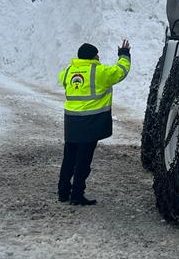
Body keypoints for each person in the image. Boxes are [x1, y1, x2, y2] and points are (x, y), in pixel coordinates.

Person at [56, 40, 131, 205]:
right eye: (97, 54)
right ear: (93, 56)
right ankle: (77, 195)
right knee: (83, 161)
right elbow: (120, 71)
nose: (98, 57)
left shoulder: (68, 71)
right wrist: (124, 54)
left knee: (68, 158)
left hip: (71, 121)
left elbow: (61, 79)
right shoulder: (98, 72)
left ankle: (63, 192)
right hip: (89, 123)